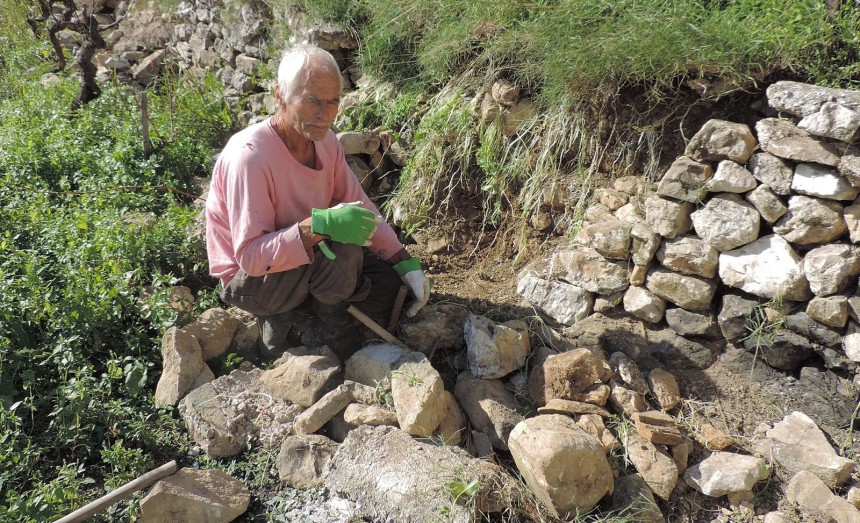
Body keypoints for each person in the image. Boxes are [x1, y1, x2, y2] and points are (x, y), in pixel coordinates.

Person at [205, 43, 430, 359]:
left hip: (303, 255)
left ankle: (297, 314)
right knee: (344, 248)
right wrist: (322, 225)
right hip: (250, 282)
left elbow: (358, 204)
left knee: (388, 282)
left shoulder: (326, 143)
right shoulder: (251, 158)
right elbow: (251, 259)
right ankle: (321, 328)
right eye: (312, 100)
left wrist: (403, 261)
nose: (325, 114)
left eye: (333, 101)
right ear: (280, 95)